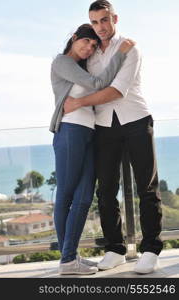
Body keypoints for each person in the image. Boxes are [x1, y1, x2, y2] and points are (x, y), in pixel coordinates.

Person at [63, 0, 163, 274]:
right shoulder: (91, 53)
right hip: (104, 126)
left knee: (147, 186)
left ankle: (151, 249)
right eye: (94, 22)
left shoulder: (130, 48)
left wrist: (80, 104)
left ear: (114, 19)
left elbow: (117, 90)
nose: (100, 27)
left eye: (104, 20)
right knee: (106, 189)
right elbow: (76, 78)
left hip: (136, 121)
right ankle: (115, 248)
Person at [50, 23, 134, 275]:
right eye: (86, 42)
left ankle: (71, 256)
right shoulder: (62, 62)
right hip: (70, 131)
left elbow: (95, 87)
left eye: (94, 45)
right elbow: (99, 83)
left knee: (85, 196)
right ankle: (68, 259)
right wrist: (121, 53)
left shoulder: (81, 67)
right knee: (65, 193)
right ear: (74, 38)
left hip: (88, 132)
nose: (89, 48)